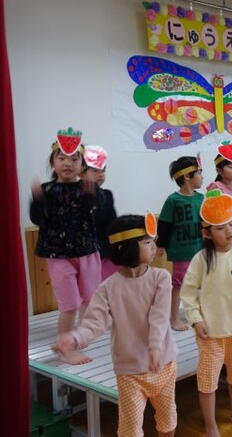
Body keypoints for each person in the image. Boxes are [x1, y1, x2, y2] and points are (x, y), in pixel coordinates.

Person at [54, 213, 178, 437]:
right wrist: (74, 338)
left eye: (153, 241)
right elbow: (94, 322)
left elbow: (159, 316)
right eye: (147, 242)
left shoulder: (161, 277)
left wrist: (155, 347)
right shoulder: (108, 287)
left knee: (167, 421)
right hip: (129, 371)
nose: (154, 246)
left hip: (163, 364)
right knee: (130, 430)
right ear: (127, 247)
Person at [180, 189, 232, 436]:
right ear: (206, 233)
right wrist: (195, 320)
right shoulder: (201, 259)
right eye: (220, 227)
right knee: (208, 381)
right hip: (210, 333)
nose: (229, 230)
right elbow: (188, 292)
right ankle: (210, 425)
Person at [30, 129, 104, 365]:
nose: (67, 163)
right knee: (69, 305)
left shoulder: (87, 187)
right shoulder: (47, 190)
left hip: (87, 252)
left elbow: (100, 208)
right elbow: (38, 219)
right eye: (61, 158)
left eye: (74, 159)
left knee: (89, 300)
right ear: (53, 162)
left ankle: (77, 339)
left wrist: (92, 192)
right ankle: (65, 348)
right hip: (58, 255)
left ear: (82, 164)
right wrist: (38, 200)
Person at [156, 155, 204, 331]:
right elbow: (164, 224)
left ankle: (200, 313)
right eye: (199, 173)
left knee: (202, 282)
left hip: (200, 249)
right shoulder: (173, 200)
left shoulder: (201, 198)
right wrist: (161, 245)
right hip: (181, 251)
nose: (202, 177)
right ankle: (174, 318)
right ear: (187, 176)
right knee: (179, 285)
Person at [80, 145, 118, 281]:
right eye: (95, 170)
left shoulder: (107, 195)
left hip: (105, 252)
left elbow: (113, 223)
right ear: (81, 173)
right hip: (83, 254)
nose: (101, 174)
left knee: (109, 286)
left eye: (103, 170)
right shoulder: (74, 196)